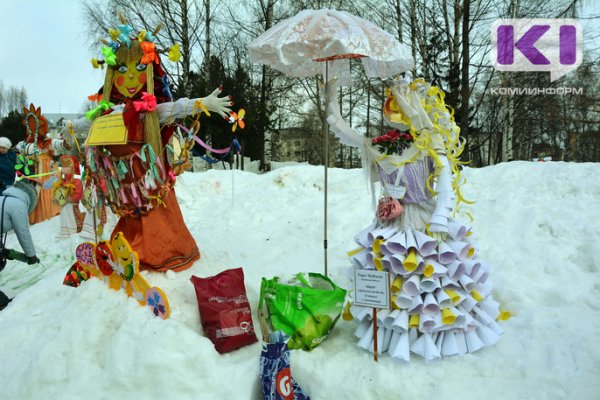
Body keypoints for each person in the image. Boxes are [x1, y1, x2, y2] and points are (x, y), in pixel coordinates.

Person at [327, 77, 506, 361]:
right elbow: (349, 135)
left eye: (404, 102)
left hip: (424, 217)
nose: (398, 109)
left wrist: (442, 215)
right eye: (394, 102)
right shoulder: (380, 146)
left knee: (430, 279)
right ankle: (392, 335)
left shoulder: (430, 141)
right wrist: (332, 97)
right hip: (390, 223)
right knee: (390, 276)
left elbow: (445, 181)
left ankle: (435, 336)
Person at [67, 16, 232, 272]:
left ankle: (165, 253)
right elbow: (85, 125)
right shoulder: (106, 112)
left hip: (150, 181)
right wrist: (70, 127)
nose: (131, 77)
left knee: (158, 216)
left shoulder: (151, 112)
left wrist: (202, 103)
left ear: (149, 72)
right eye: (122, 70)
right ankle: (131, 250)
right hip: (124, 184)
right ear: (112, 73)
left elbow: (176, 108)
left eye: (138, 68)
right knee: (132, 218)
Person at [16, 104, 67, 224]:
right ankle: (39, 215)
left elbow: (56, 144)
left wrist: (63, 144)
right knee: (38, 190)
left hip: (48, 169)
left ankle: (52, 211)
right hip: (37, 170)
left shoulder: (47, 142)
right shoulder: (26, 144)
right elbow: (20, 148)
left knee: (49, 188)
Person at [0, 179, 40, 265]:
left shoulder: (2, 199)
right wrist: (31, 255)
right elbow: (22, 231)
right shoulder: (19, 205)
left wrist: (4, 250)